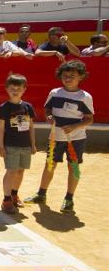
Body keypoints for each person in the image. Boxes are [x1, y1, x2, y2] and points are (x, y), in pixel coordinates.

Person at [25, 60, 94, 213]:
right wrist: (48, 117)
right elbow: (48, 109)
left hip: (76, 139)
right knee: (50, 165)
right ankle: (41, 194)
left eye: (72, 76)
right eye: (65, 76)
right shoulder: (55, 93)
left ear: (80, 77)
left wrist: (75, 127)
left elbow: (90, 119)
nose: (68, 79)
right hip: (55, 138)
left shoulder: (85, 97)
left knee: (74, 167)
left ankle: (69, 198)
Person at [0, 74, 36, 214]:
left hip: (25, 145)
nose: (15, 91)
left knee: (20, 170)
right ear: (7, 89)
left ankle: (14, 194)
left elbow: (31, 127)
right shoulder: (4, 108)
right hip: (11, 145)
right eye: (12, 88)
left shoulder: (28, 107)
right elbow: (0, 128)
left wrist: (33, 144)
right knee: (11, 170)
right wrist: (0, 146)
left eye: (18, 88)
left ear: (24, 89)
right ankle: (6, 199)